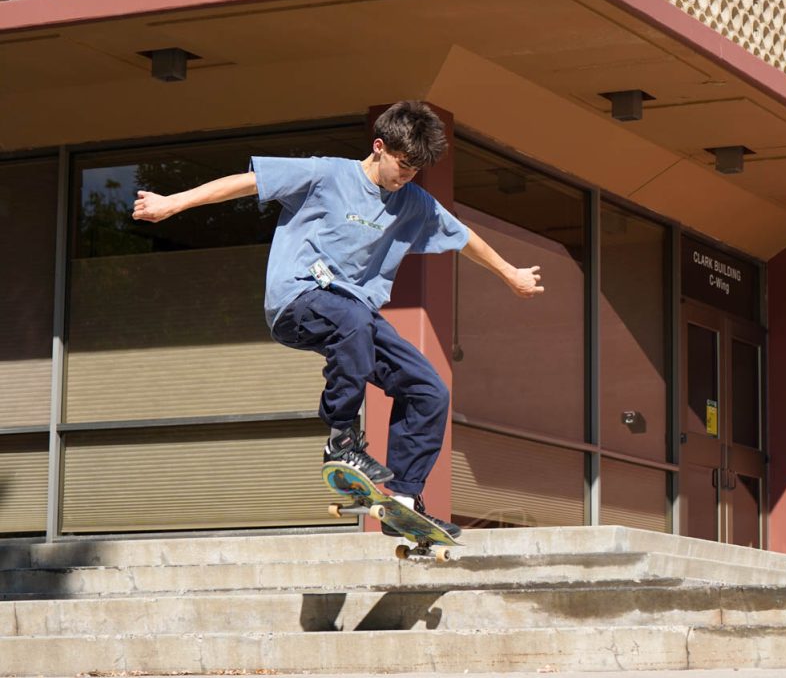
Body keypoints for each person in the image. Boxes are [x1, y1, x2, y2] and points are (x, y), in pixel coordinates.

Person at [131, 101, 543, 537]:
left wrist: (510, 273)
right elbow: (248, 183)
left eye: (416, 171)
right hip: (298, 298)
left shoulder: (414, 202)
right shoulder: (326, 175)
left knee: (427, 389)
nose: (406, 177)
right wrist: (173, 202)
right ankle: (342, 440)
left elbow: (463, 237)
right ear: (379, 147)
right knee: (354, 321)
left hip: (355, 317)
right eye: (402, 166)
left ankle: (402, 497)